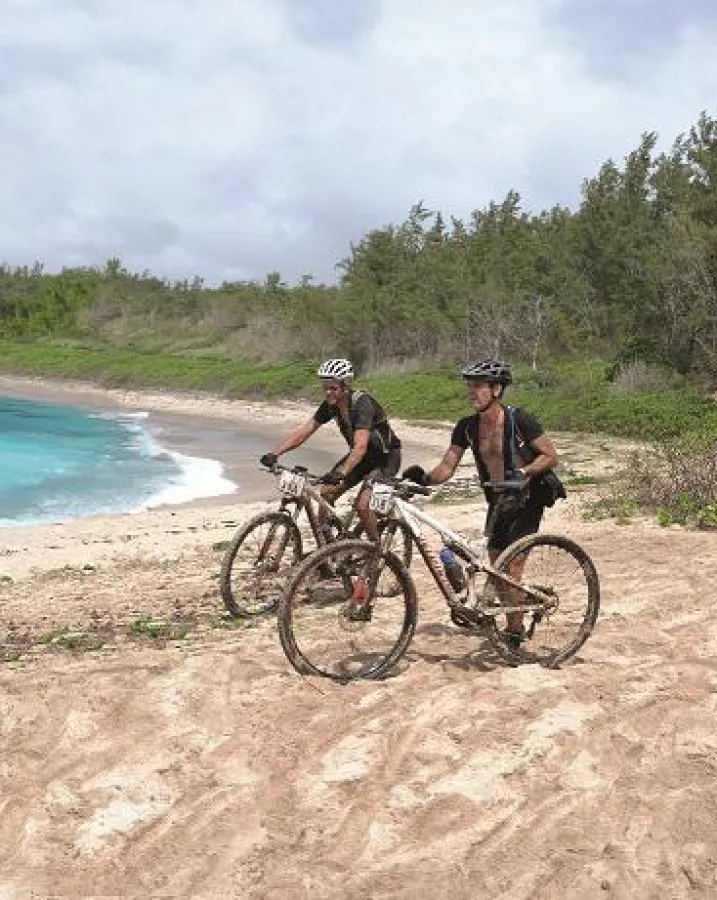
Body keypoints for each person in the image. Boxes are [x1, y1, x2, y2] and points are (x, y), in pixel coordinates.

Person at [402, 357, 563, 646]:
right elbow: (447, 468)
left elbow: (551, 456)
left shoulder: (518, 419)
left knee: (511, 565)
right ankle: (518, 614)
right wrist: (423, 478)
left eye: (478, 386)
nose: (472, 392)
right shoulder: (466, 427)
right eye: (470, 387)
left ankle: (514, 633)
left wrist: (523, 471)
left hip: (528, 496)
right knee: (496, 568)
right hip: (499, 501)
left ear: (497, 389)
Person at [259, 358, 402, 542]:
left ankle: (378, 553)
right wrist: (275, 453)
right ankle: (328, 546)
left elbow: (360, 446)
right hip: (361, 458)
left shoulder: (362, 403)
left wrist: (341, 472)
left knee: (362, 506)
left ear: (345, 385)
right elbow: (305, 431)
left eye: (333, 388)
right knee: (326, 493)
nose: (328, 392)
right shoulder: (330, 406)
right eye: (325, 387)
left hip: (385, 458)